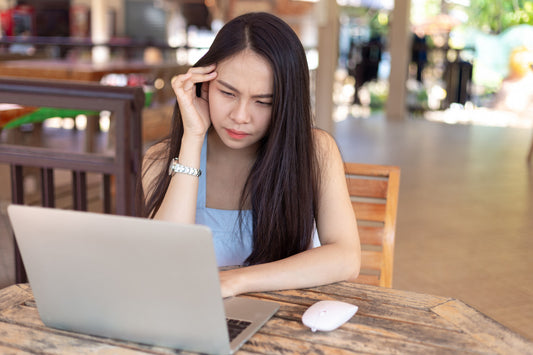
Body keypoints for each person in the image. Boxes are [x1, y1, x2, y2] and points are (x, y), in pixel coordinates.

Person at [139, 12, 361, 298]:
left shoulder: (315, 151)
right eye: (228, 93)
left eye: (263, 101)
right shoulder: (160, 159)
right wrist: (192, 139)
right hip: (189, 317)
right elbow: (161, 259)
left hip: (284, 320)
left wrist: (235, 281)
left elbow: (346, 257)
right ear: (204, 84)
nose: (240, 116)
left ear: (285, 103)